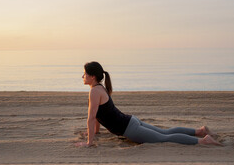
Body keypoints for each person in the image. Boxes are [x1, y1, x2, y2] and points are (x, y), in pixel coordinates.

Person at [75, 61, 222, 147]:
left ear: (92, 76)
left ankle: (202, 141)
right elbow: (98, 116)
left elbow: (92, 117)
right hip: (131, 121)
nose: (82, 76)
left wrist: (89, 143)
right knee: (165, 132)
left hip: (129, 129)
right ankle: (200, 130)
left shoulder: (94, 91)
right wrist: (95, 132)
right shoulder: (99, 88)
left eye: (84, 74)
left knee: (164, 138)